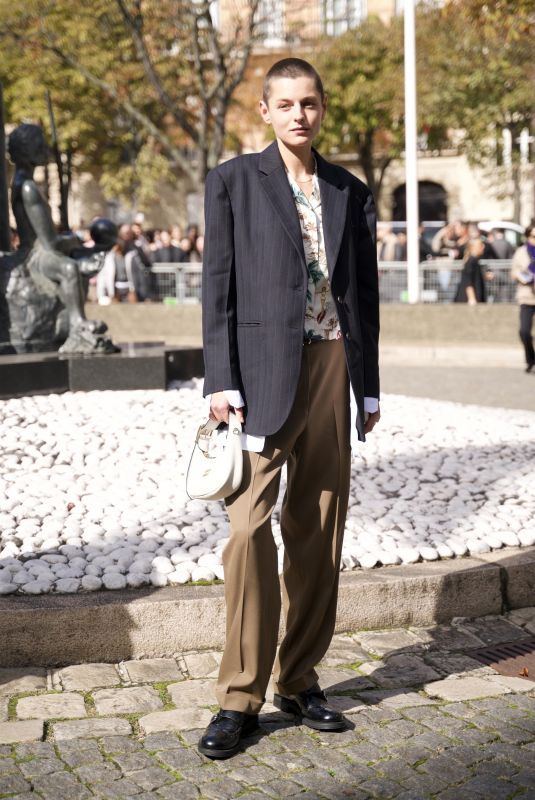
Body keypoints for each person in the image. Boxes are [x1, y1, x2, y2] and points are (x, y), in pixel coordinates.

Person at [199, 57, 380, 760]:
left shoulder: (347, 189)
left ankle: (299, 680)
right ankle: (237, 696)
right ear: (266, 111)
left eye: (309, 102)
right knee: (247, 531)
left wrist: (367, 386)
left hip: (333, 369)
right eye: (285, 103)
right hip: (259, 377)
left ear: (321, 107)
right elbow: (217, 286)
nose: (298, 114)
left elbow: (360, 295)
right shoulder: (234, 182)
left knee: (318, 528)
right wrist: (220, 379)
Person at [511, 224, 535, 372]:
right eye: (534, 236)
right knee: (524, 331)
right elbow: (513, 272)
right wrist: (523, 278)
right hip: (526, 296)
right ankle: (531, 358)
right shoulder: (521, 252)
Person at [454, 239, 490, 304]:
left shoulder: (475, 260)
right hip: (469, 299)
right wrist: (472, 298)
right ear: (474, 247)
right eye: (480, 245)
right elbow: (468, 281)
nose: (483, 247)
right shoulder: (471, 261)